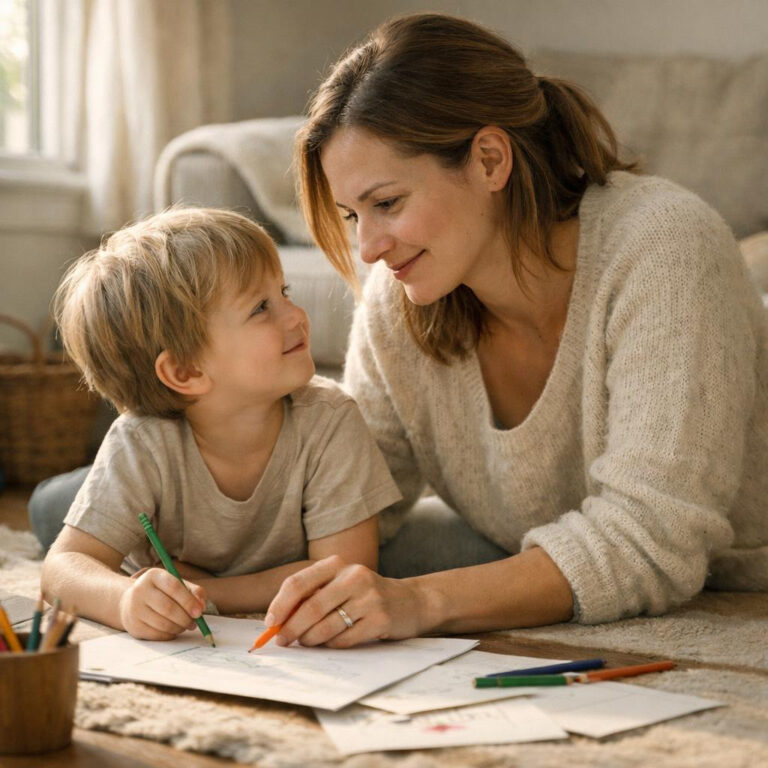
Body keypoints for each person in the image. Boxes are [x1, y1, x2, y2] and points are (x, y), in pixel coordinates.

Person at [258, 12, 768, 649]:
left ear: (489, 160)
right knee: (103, 495)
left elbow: (652, 539)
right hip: (524, 544)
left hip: (745, 574)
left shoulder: (664, 245)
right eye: (352, 214)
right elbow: (347, 500)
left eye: (387, 203)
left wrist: (418, 602)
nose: (367, 248)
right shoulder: (402, 297)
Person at [40, 207, 401, 640]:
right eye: (261, 308)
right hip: (145, 473)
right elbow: (61, 570)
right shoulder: (141, 440)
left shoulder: (330, 419)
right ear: (187, 372)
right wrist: (123, 599)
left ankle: (71, 502)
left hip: (199, 536)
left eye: (283, 292)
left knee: (65, 509)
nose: (295, 315)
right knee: (52, 512)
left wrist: (209, 592)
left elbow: (343, 574)